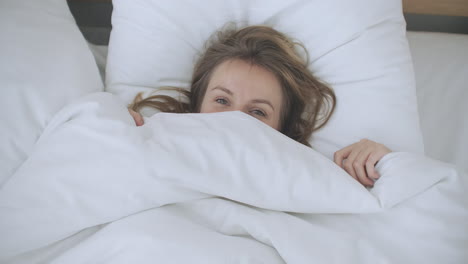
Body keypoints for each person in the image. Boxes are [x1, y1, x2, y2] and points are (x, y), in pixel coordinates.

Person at [128, 25, 391, 187]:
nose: (234, 119)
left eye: (257, 112)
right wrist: (112, 130)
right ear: (196, 104)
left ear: (281, 129)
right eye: (221, 100)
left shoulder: (309, 175)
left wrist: (379, 161)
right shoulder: (145, 137)